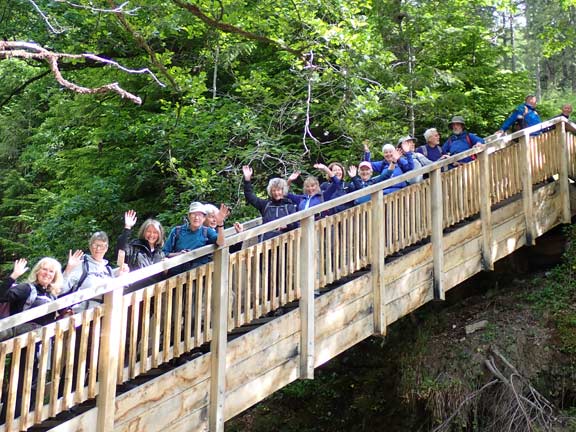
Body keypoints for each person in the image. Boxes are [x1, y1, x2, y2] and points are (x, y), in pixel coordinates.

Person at [0, 257, 68, 421]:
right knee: (21, 381)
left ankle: (24, 420)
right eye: (44, 269)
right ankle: (9, 421)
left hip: (41, 344)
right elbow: (1, 296)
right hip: (23, 342)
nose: (47, 273)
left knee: (34, 383)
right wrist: (13, 276)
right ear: (37, 271)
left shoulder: (52, 296)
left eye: (51, 271)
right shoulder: (26, 289)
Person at [61, 231, 129, 312]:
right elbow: (61, 289)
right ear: (90, 246)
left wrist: (122, 272)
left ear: (106, 248)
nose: (98, 249)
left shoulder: (108, 271)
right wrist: (68, 269)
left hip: (104, 317)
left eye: (102, 246)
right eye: (95, 245)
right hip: (82, 317)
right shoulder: (82, 266)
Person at [162, 202, 226, 272]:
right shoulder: (177, 231)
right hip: (177, 277)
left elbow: (221, 242)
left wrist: (220, 223)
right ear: (189, 216)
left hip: (199, 276)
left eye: (199, 215)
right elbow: (164, 253)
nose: (196, 217)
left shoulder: (207, 231)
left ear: (204, 217)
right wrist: (179, 254)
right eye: (193, 214)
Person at [242, 165, 298, 241]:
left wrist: (287, 226)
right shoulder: (266, 205)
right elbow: (250, 197)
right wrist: (247, 179)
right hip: (266, 244)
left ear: (282, 190)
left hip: (284, 244)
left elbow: (295, 223)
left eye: (278, 190)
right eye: (274, 190)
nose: (276, 193)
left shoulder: (289, 205)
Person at [117, 210, 165, 289]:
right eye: (149, 231)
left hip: (154, 295)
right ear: (144, 232)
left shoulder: (160, 254)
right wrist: (127, 228)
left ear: (159, 234)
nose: (152, 235)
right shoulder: (135, 247)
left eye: (155, 232)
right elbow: (121, 250)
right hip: (136, 293)